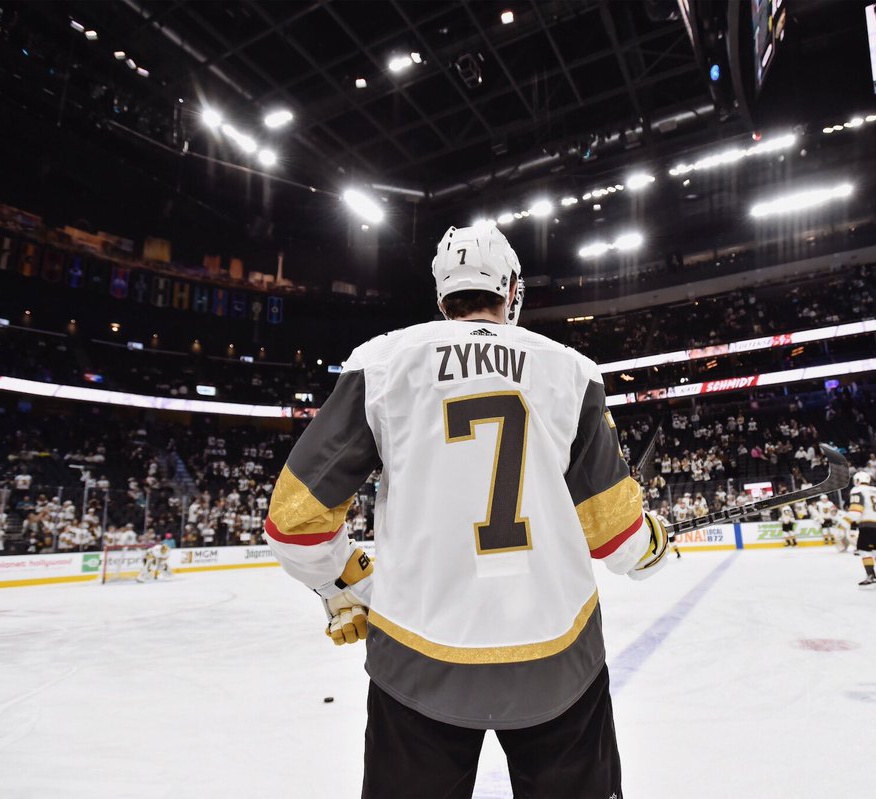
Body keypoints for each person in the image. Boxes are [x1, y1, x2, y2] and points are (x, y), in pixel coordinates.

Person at [262, 222, 669, 798]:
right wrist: (653, 542)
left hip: (417, 658)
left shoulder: (380, 363)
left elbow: (294, 526)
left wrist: (343, 583)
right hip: (558, 657)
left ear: (441, 295)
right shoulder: (570, 370)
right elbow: (622, 545)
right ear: (511, 289)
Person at [848, 471, 876, 586]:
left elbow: (856, 511)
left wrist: (850, 523)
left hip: (868, 524)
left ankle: (871, 575)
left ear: (857, 480)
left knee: (864, 551)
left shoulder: (857, 490)